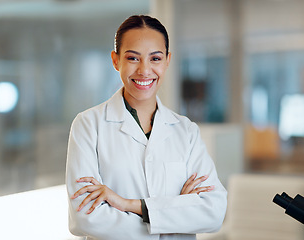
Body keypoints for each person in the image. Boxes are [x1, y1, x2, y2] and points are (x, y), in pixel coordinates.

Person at [66, 15, 227, 240]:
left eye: (155, 58)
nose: (144, 70)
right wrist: (177, 211)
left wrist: (129, 205)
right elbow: (85, 217)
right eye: (133, 58)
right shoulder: (88, 125)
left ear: (167, 61)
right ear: (115, 60)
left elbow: (213, 212)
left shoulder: (186, 131)